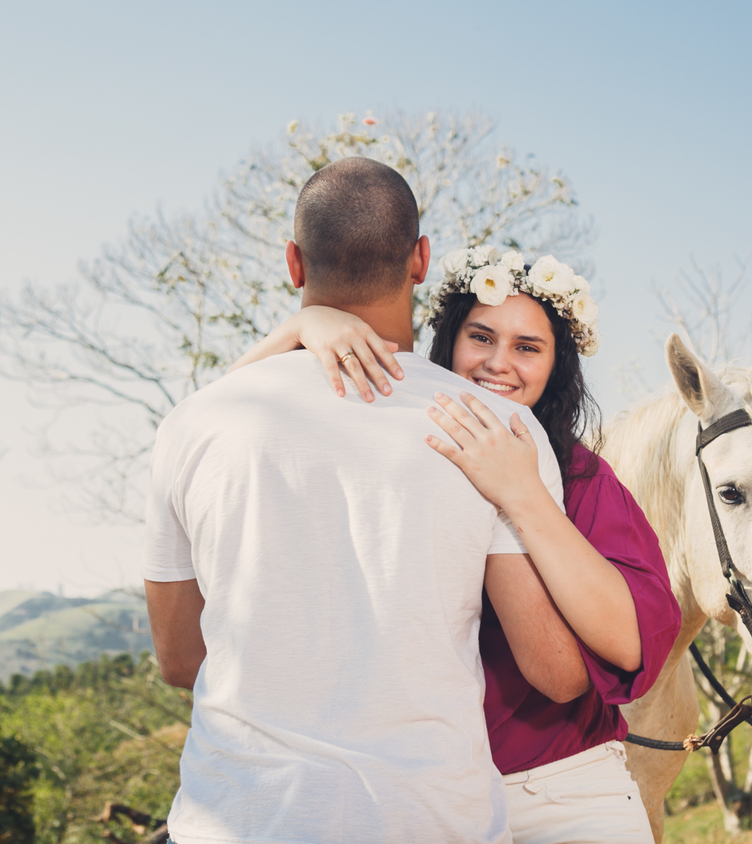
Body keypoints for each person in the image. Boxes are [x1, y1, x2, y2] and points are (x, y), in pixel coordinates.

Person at [143, 157, 566, 844]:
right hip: (431, 822)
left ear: (293, 263)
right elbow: (550, 663)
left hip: (240, 822)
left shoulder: (192, 425)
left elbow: (180, 659)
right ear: (421, 259)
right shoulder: (495, 428)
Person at [233, 245, 682, 843]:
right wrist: (299, 326)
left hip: (557, 791)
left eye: (527, 347)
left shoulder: (581, 479)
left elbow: (626, 644)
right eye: (481, 337)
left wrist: (523, 495)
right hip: (416, 803)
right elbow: (220, 425)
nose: (499, 364)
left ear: (556, 365)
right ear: (448, 342)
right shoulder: (394, 443)